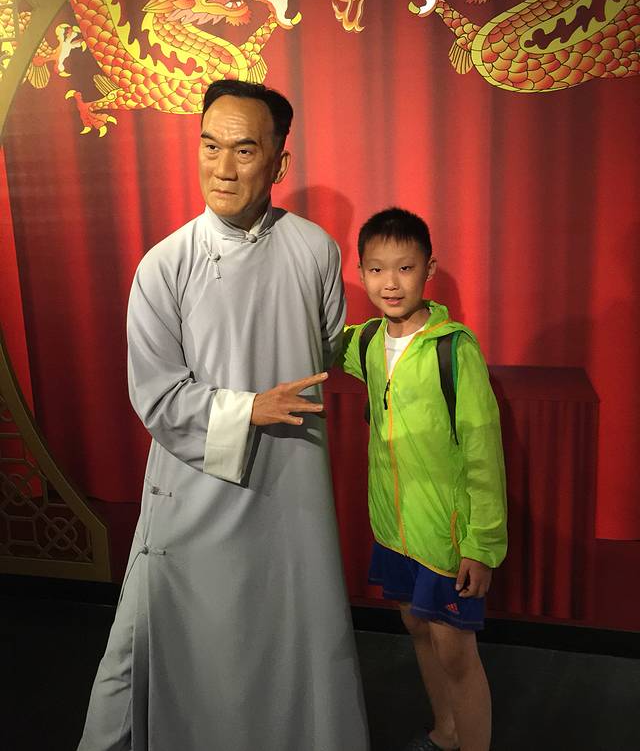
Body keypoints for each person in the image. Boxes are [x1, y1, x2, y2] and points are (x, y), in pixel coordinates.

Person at [78, 80, 370, 751]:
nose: (223, 168)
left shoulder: (316, 250)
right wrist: (250, 407)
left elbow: (325, 345)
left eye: (243, 150)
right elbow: (157, 395)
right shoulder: (165, 265)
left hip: (291, 488)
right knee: (175, 648)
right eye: (210, 147)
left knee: (291, 641)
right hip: (197, 490)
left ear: (279, 162)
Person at [338, 208, 507, 751]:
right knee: (416, 629)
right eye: (377, 269)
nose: (390, 283)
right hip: (393, 530)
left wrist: (481, 545)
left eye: (405, 268)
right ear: (361, 273)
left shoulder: (454, 348)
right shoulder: (365, 341)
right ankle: (446, 731)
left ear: (428, 269)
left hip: (446, 536)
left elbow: (484, 453)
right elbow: (309, 338)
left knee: (456, 652)